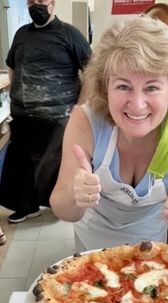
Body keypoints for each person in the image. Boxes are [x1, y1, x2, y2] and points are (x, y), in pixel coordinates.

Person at [50, 16, 168, 252]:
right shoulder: (84, 121)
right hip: (91, 249)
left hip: (150, 249)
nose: (137, 105)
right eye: (123, 86)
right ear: (105, 87)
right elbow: (62, 209)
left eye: (152, 87)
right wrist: (75, 196)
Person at [0, 0, 91, 223]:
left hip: (57, 118)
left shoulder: (70, 34)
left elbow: (91, 71)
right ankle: (27, 207)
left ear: (53, 3)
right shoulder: (22, 34)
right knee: (21, 164)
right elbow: (13, 65)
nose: (35, 5)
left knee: (53, 166)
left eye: (41, 0)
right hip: (22, 115)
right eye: (31, 1)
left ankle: (57, 206)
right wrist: (18, 91)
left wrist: (79, 107)